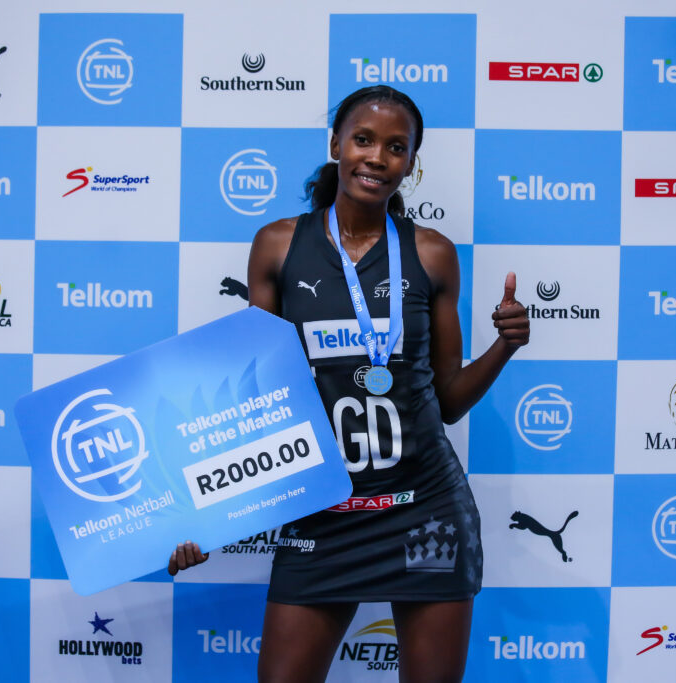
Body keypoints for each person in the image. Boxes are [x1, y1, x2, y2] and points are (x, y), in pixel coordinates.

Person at [169, 85, 529, 682]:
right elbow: (259, 401)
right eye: (363, 139)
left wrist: (505, 346)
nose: (377, 157)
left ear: (410, 163)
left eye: (396, 147)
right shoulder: (278, 245)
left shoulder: (432, 254)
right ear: (336, 144)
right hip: (322, 513)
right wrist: (209, 516)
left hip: (423, 509)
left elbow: (449, 403)